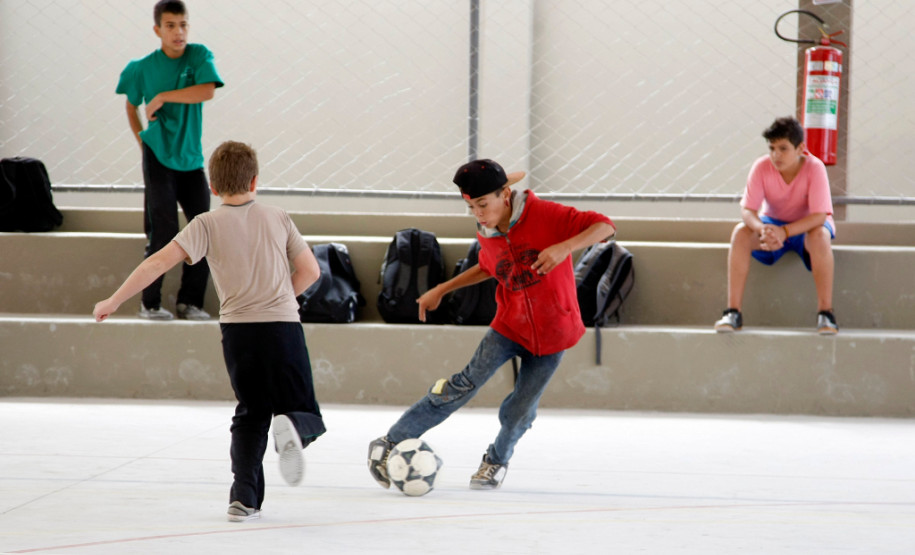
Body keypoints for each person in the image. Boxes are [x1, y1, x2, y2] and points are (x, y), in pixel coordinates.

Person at [94, 141, 326, 522]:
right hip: (282, 325)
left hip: (239, 333)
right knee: (301, 405)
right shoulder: (278, 217)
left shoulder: (206, 223)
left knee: (250, 414)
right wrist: (285, 295)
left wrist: (114, 300)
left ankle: (244, 498)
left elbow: (157, 263)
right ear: (255, 180)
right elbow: (311, 272)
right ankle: (296, 426)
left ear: (213, 188)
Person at [367, 159, 615, 490]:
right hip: (508, 327)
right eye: (471, 207)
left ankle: (496, 460)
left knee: (519, 411)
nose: (478, 214)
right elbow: (488, 266)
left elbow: (605, 226)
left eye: (483, 205)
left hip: (554, 333)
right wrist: (441, 289)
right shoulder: (487, 231)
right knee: (461, 385)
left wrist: (564, 247)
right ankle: (392, 441)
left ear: (505, 195)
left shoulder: (546, 216)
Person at [116, 0, 224, 320]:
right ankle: (149, 303)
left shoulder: (199, 55)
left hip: (190, 159)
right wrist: (141, 141)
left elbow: (206, 91)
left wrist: (163, 97)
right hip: (158, 155)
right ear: (157, 30)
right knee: (163, 230)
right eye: (171, 26)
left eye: (183, 25)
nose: (179, 32)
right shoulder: (142, 67)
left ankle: (189, 302)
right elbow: (130, 106)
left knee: (202, 229)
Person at [714, 116, 838, 335]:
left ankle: (825, 314)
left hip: (807, 226)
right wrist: (763, 230)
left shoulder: (815, 168)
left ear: (800, 148)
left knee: (819, 236)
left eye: (783, 148)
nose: (776, 155)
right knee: (741, 234)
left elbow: (819, 216)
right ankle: (733, 312)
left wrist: (786, 231)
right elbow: (748, 210)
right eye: (772, 148)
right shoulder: (761, 167)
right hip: (773, 225)